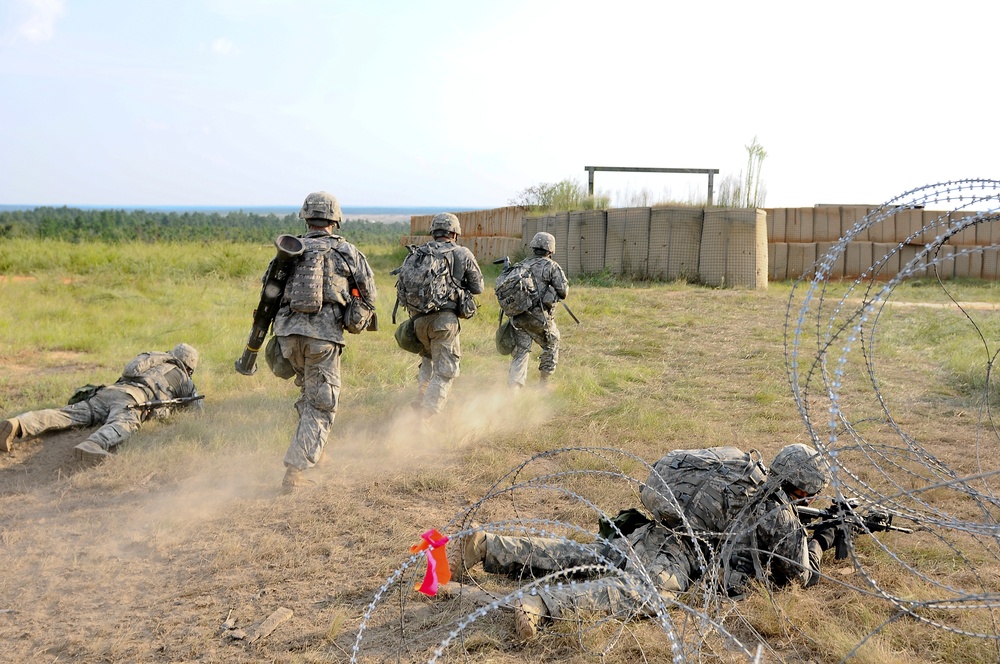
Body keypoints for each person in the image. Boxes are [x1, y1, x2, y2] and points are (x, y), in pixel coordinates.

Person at [448, 443, 834, 640]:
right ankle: (542, 604)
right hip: (677, 551)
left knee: (586, 555)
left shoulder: (740, 463)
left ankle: (488, 545)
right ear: (804, 491)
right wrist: (823, 539)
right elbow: (799, 574)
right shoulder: (779, 514)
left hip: (649, 529)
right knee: (646, 593)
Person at [269, 191, 377, 493]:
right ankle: (295, 470)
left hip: (288, 337)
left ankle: (321, 453)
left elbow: (270, 291)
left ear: (306, 217)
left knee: (310, 393)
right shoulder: (347, 252)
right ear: (335, 220)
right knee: (323, 404)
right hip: (323, 339)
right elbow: (368, 295)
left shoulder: (289, 250)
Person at [0, 344, 201, 463]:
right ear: (190, 367)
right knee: (124, 424)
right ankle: (93, 444)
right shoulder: (183, 378)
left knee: (67, 414)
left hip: (109, 391)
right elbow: (197, 411)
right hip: (135, 399)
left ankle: (19, 423)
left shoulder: (154, 359)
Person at [401, 212, 484, 416]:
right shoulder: (461, 253)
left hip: (417, 320)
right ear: (455, 233)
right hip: (445, 322)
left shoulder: (418, 253)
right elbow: (478, 287)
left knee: (429, 357)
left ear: (433, 232)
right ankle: (426, 418)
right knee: (445, 371)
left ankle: (422, 393)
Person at [506, 232, 568, 389]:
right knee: (552, 342)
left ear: (533, 246)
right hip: (540, 319)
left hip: (519, 317)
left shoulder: (520, 265)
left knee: (521, 353)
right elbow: (563, 292)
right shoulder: (552, 267)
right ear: (551, 250)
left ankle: (514, 390)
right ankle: (544, 384)